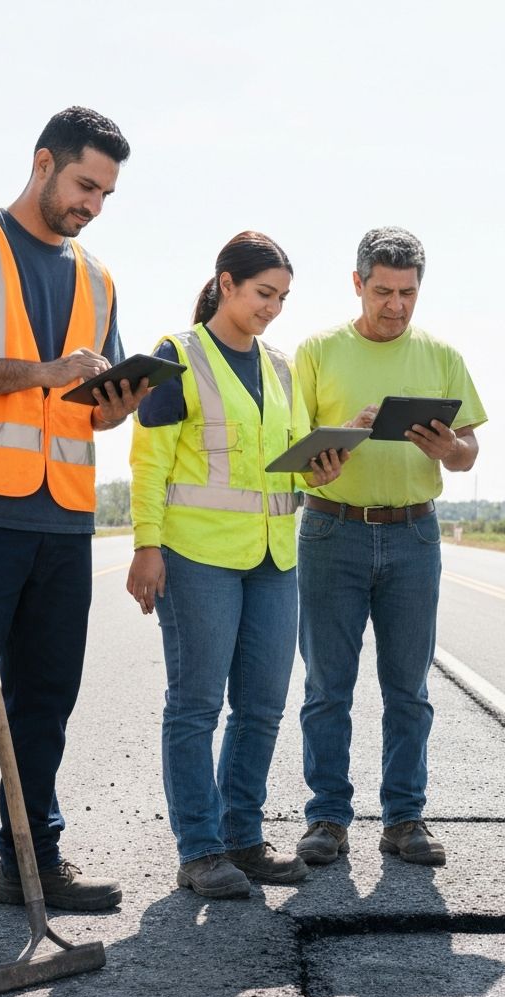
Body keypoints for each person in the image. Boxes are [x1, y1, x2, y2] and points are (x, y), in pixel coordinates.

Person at [0, 107, 141, 951]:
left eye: (107, 193)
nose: (93, 204)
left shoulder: (98, 278)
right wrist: (45, 373)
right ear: (43, 162)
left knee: (46, 700)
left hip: (63, 516)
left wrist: (116, 404)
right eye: (86, 184)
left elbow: (90, 414)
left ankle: (31, 861)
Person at [127, 232, 346, 899]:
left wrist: (324, 465)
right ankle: (199, 850)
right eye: (262, 294)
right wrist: (146, 544)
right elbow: (151, 459)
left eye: (282, 297)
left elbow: (283, 463)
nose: (273, 308)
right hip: (198, 557)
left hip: (276, 556)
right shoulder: (177, 356)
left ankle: (242, 837)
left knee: (262, 707)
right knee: (195, 706)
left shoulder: (282, 367)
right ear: (226, 283)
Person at [293, 227, 486, 868]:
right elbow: (293, 447)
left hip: (412, 534)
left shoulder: (442, 355)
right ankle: (327, 817)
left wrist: (448, 448)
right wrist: (340, 435)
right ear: (357, 284)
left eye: (407, 293)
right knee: (328, 687)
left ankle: (405, 818)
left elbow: (467, 454)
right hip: (330, 530)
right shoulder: (316, 351)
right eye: (383, 291)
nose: (396, 305)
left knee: (409, 688)